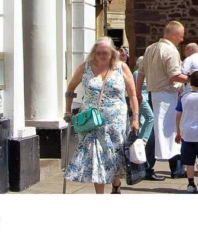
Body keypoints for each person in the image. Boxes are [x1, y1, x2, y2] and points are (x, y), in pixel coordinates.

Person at [63, 38, 139, 194]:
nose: (102, 56)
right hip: (91, 121)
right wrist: (68, 111)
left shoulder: (121, 68)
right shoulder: (85, 68)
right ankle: (100, 195)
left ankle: (116, 183)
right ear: (93, 53)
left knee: (114, 155)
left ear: (112, 53)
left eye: (105, 52)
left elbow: (132, 95)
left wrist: (136, 118)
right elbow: (70, 87)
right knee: (96, 156)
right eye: (98, 53)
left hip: (115, 122)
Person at [142, 21, 190, 179]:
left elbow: (141, 72)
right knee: (167, 131)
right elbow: (174, 76)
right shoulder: (170, 50)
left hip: (152, 93)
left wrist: (137, 92)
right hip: (166, 95)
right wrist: (193, 79)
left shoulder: (150, 48)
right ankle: (154, 168)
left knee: (159, 131)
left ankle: (173, 168)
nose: (182, 40)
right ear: (173, 34)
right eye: (181, 36)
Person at [132, 56, 165, 181]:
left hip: (149, 100)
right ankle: (143, 138)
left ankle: (142, 137)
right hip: (142, 100)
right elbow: (137, 90)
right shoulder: (137, 73)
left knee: (144, 120)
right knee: (149, 118)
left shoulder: (148, 74)